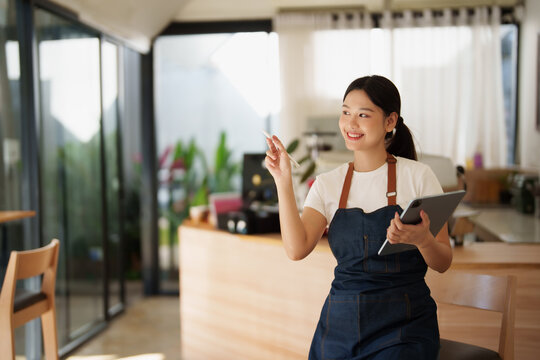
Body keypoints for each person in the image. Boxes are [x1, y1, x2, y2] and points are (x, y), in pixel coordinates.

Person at [264, 75, 452, 359]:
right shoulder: (327, 184)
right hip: (340, 326)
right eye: (346, 113)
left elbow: (443, 262)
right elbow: (296, 248)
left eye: (363, 115)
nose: (351, 124)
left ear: (390, 122)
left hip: (405, 327)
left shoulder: (418, 177)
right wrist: (283, 181)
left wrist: (424, 240)